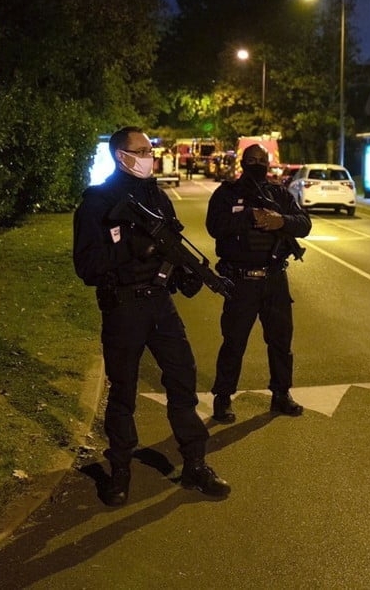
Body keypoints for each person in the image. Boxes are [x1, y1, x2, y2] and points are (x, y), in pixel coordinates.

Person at [73, 126, 230, 505]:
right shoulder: (96, 203)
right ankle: (120, 469)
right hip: (123, 306)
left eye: (149, 150)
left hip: (160, 303)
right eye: (140, 150)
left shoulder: (158, 198)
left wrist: (185, 275)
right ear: (120, 156)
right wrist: (132, 248)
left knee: (182, 379)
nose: (148, 156)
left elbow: (171, 248)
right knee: (123, 391)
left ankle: (194, 462)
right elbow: (88, 266)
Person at [206, 144, 312, 423]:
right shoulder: (226, 193)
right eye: (251, 160)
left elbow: (304, 224)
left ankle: (281, 394)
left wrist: (281, 221)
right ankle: (223, 397)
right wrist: (248, 217)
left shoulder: (278, 194)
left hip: (275, 278)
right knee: (234, 342)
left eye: (261, 160)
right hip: (241, 281)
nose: (256, 164)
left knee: (280, 342)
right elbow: (214, 226)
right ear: (242, 163)